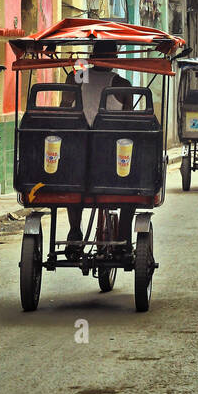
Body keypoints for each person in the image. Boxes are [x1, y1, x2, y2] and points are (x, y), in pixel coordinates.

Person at [61, 41, 134, 254]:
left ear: (93, 54)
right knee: (132, 187)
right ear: (115, 56)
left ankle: (75, 230)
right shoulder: (121, 83)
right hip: (112, 151)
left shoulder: (79, 75)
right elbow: (128, 122)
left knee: (73, 183)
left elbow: (65, 106)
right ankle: (124, 235)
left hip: (80, 147)